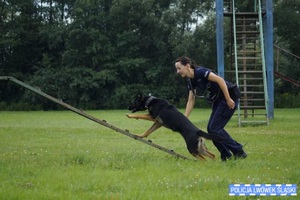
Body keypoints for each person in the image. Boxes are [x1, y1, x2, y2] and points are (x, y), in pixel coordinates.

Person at [174, 56, 247, 161]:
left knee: (215, 129)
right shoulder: (191, 81)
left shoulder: (201, 72)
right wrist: (184, 118)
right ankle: (226, 155)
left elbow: (220, 80)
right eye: (177, 69)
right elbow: (191, 100)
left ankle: (239, 151)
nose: (178, 71)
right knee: (211, 130)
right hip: (218, 100)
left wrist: (228, 99)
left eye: (179, 68)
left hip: (228, 98)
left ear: (187, 66)